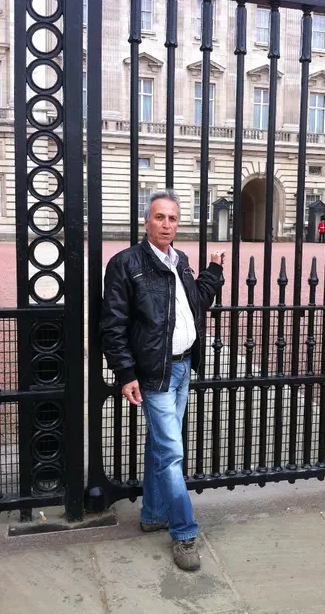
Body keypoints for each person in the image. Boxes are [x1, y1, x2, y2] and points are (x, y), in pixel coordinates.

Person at [100, 191, 224, 572]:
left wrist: (213, 272)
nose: (167, 224)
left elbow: (194, 304)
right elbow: (112, 325)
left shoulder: (179, 260)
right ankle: (184, 533)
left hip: (183, 367)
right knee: (171, 453)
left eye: (172, 218)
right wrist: (126, 373)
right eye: (159, 217)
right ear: (146, 221)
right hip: (155, 374)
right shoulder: (126, 264)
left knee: (160, 445)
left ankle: (154, 513)